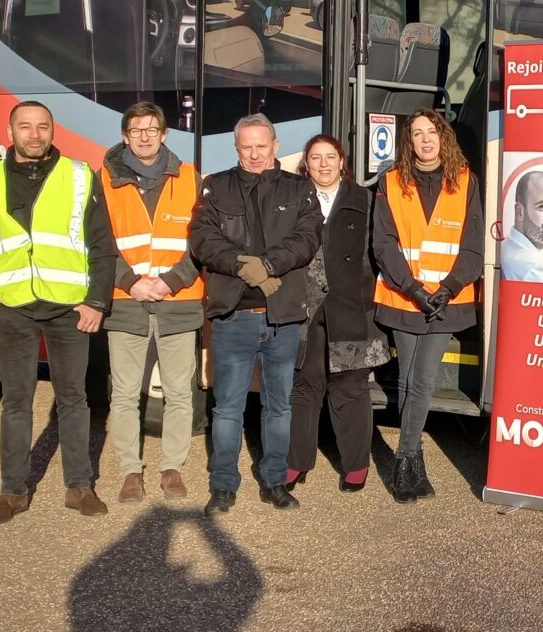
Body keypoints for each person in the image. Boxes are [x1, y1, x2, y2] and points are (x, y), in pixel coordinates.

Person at [0, 101, 119, 524]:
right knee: (16, 401)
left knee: (74, 399)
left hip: (69, 307)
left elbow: (103, 245)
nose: (34, 134)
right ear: (9, 131)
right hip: (11, 307)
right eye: (25, 126)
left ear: (52, 130)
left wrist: (96, 302)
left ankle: (79, 487)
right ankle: (12, 492)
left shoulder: (80, 176)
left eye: (42, 126)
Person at [190, 114, 321, 514]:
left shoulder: (299, 188)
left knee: (279, 406)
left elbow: (307, 237)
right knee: (227, 407)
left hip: (283, 316)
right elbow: (202, 238)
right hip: (233, 316)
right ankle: (223, 485)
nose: (254, 154)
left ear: (275, 146)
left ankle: (275, 481)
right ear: (236, 148)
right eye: (246, 147)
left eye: (261, 146)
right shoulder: (215, 186)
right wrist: (238, 265)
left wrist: (266, 265)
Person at [371, 108, 484, 504]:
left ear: (443, 137)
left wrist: (448, 289)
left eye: (431, 132)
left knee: (421, 380)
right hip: (405, 296)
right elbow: (383, 243)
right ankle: (412, 460)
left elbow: (473, 246)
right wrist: (414, 289)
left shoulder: (466, 181)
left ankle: (403, 461)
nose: (425, 139)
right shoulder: (390, 181)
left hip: (445, 300)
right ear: (409, 142)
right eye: (417, 133)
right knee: (407, 379)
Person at [100, 102, 205, 504]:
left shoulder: (190, 178)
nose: (144, 136)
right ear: (125, 136)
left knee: (180, 393)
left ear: (164, 134)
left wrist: (171, 281)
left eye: (151, 129)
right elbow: (98, 243)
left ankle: (172, 468)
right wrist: (131, 283)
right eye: (136, 130)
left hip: (178, 301)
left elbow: (203, 240)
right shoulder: (104, 180)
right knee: (125, 394)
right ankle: (130, 471)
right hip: (126, 302)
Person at [288, 134, 390, 493]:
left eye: (330, 157)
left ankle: (356, 465)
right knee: (304, 385)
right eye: (316, 158)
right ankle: (296, 461)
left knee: (351, 386)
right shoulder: (295, 198)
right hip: (304, 307)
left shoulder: (364, 199)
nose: (324, 164)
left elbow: (379, 251)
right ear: (307, 164)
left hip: (351, 305)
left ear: (342, 161)